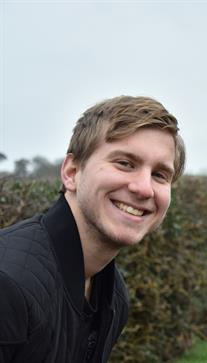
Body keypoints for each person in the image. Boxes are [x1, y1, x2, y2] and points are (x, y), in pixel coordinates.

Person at [0, 96, 185, 362]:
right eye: (125, 163)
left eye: (159, 175)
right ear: (72, 172)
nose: (144, 188)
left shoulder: (113, 294)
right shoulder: (8, 284)